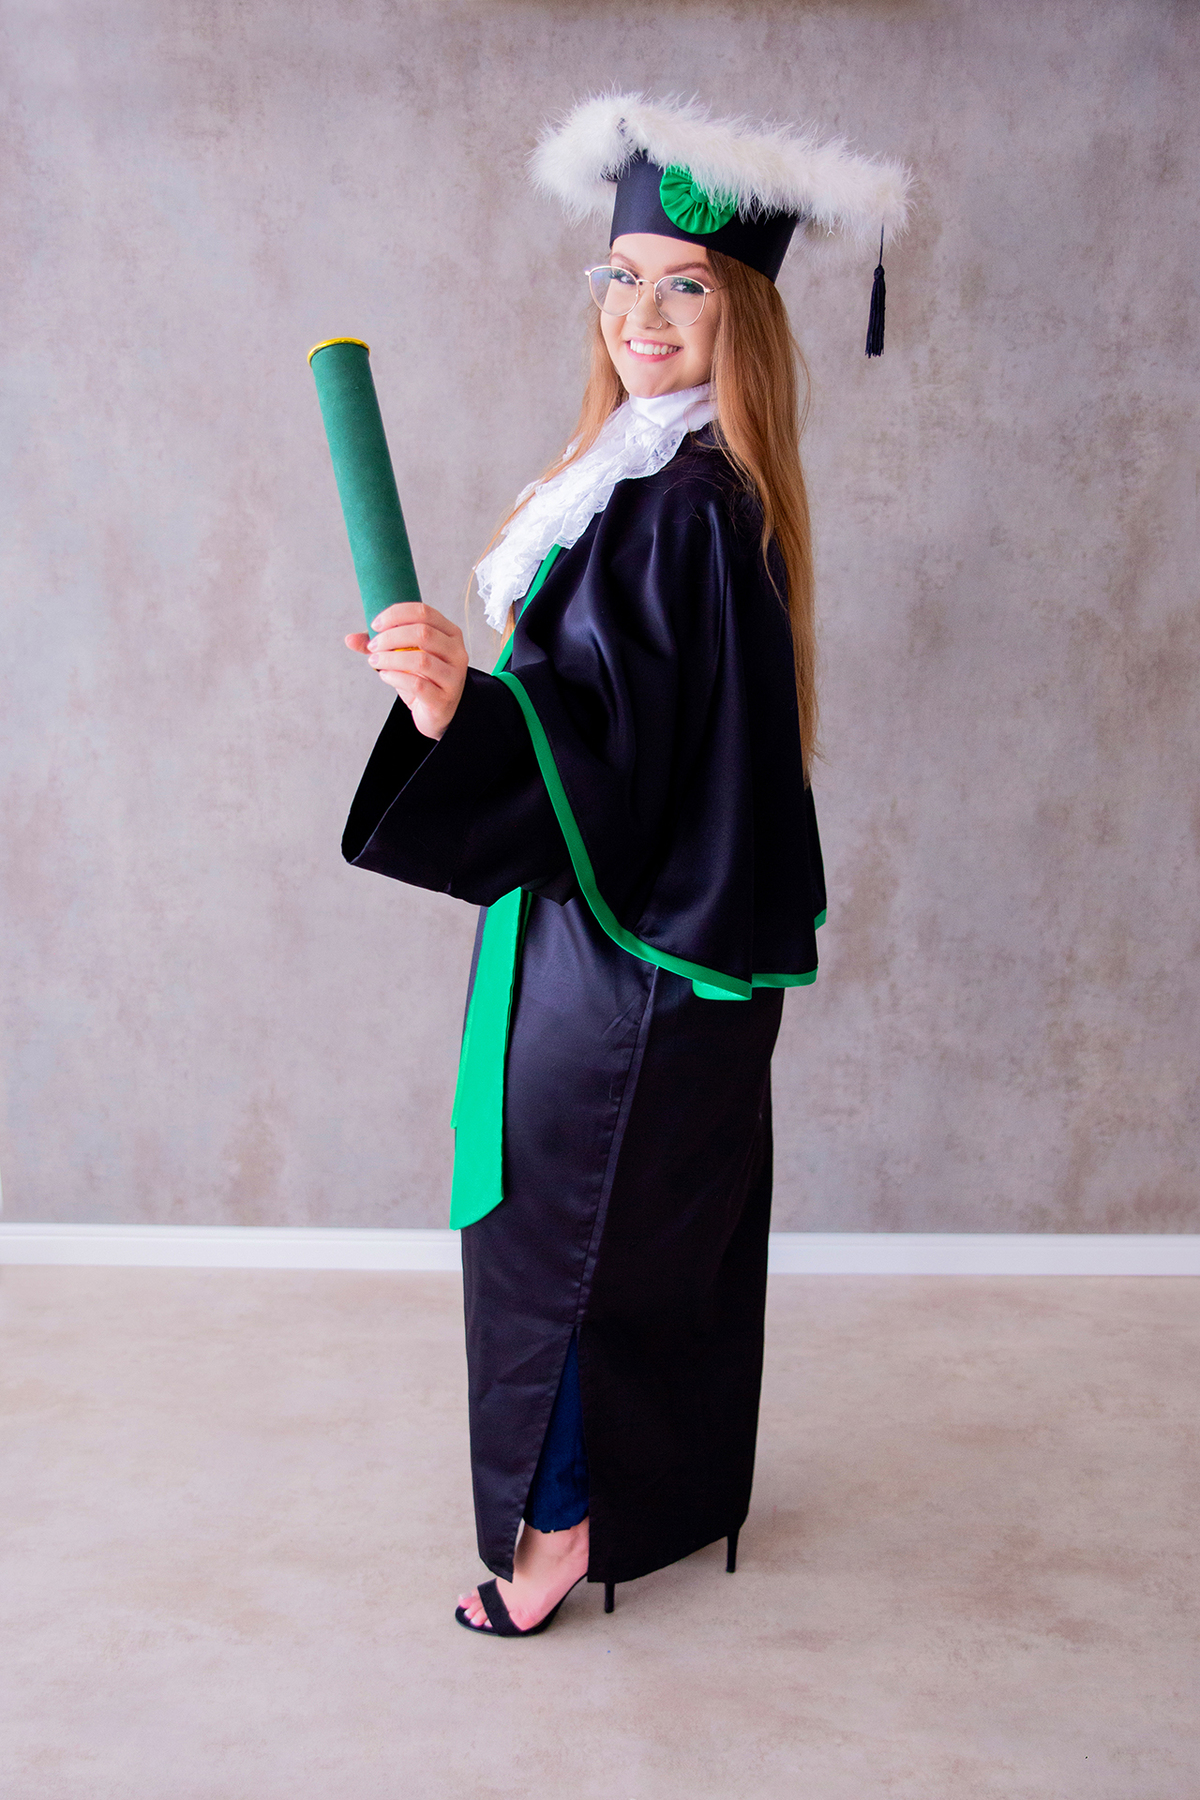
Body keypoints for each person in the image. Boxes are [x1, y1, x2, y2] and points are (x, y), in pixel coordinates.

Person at [341, 94, 910, 1637]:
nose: (641, 313)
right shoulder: (644, 471)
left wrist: (469, 707)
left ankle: (563, 1530)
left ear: (748, 314)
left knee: (568, 1234)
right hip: (618, 925)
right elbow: (610, 718)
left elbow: (621, 750)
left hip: (642, 942)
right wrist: (473, 705)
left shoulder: (694, 504)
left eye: (686, 284)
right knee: (626, 1235)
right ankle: (629, 1499)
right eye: (621, 277)